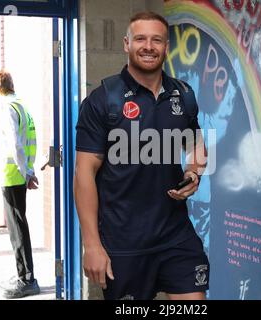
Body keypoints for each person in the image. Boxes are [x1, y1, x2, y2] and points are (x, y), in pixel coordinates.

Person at [74, 11, 209, 300]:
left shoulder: (183, 95)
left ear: (166, 46)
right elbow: (84, 173)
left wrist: (193, 173)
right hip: (123, 241)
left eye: (156, 40)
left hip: (175, 235)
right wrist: (92, 245)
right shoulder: (103, 100)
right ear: (127, 44)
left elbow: (196, 146)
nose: (148, 46)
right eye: (140, 39)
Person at [0, 70, 40, 299]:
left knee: (17, 230)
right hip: (19, 175)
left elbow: (15, 144)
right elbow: (28, 141)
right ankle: (24, 275)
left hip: (11, 175)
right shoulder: (22, 106)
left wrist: (26, 172)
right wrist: (28, 171)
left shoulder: (7, 108)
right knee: (20, 226)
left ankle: (26, 279)